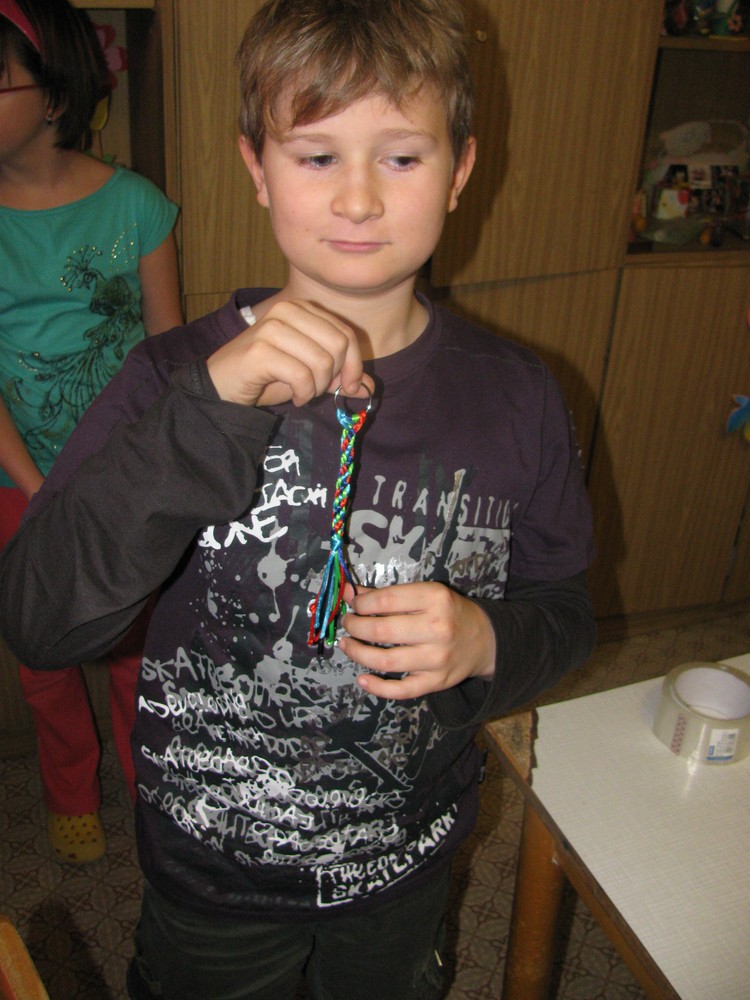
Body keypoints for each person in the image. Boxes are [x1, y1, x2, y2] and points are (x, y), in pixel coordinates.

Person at [0, 0, 596, 995]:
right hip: (210, 884)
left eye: (400, 157)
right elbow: (39, 618)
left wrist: (488, 641)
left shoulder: (521, 396)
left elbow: (567, 611)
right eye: (317, 156)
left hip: (406, 866)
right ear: (257, 167)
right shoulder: (169, 380)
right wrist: (209, 409)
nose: (358, 199)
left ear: (459, 170)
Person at [0, 0, 182, 864]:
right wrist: (38, 489)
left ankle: (150, 791)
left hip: (123, 481)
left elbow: (166, 350)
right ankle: (70, 789)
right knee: (43, 657)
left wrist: (152, 475)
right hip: (16, 481)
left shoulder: (136, 205)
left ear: (55, 93)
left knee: (134, 649)